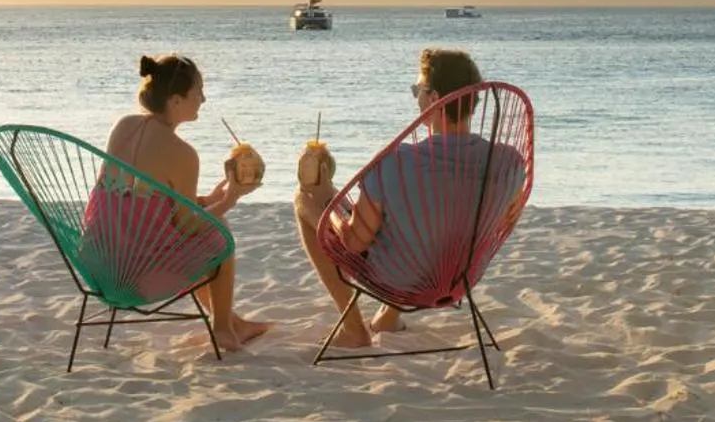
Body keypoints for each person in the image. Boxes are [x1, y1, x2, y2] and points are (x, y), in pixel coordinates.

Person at [292, 48, 524, 349]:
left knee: (304, 199)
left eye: (418, 90)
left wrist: (328, 201)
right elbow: (504, 221)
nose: (416, 98)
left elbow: (354, 242)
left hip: (399, 280)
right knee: (422, 217)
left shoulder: (395, 163)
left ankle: (353, 329)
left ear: (434, 98)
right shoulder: (510, 163)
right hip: (461, 276)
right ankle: (388, 318)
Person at [89, 54, 272, 348]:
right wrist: (230, 199)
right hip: (135, 276)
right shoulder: (182, 153)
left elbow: (147, 204)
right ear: (175, 101)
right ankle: (223, 328)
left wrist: (211, 197)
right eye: (198, 92)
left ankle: (234, 322)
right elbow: (188, 227)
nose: (203, 98)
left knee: (203, 224)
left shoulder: (124, 126)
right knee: (218, 231)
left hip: (100, 262)